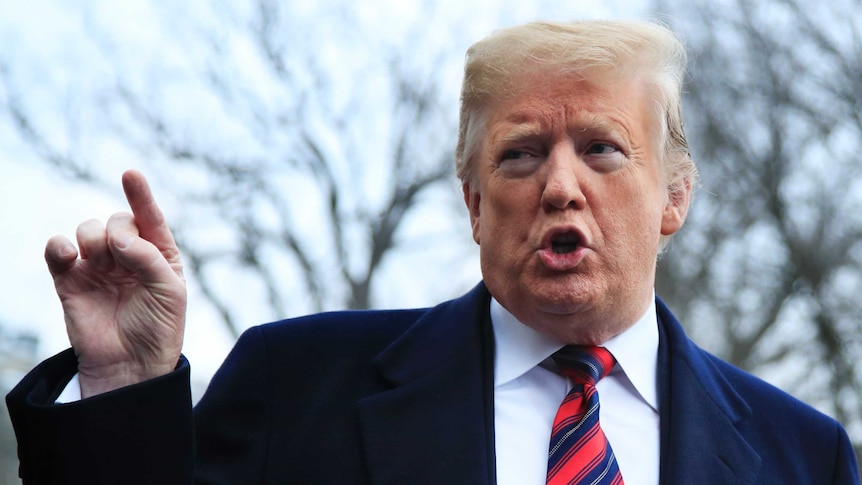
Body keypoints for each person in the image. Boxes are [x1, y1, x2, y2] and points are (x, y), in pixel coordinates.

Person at [6, 20, 859, 485]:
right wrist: (121, 386)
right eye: (520, 154)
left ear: (674, 196)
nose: (560, 186)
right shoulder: (292, 386)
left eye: (602, 148)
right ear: (475, 202)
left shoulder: (803, 455)